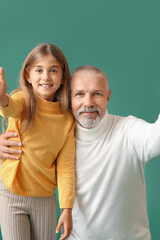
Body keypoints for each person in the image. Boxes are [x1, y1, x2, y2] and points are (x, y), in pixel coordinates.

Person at [1, 65, 160, 240]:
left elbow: (155, 140)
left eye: (97, 94)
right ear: (69, 98)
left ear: (108, 96)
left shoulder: (128, 130)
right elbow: (25, 156)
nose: (88, 103)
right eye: (79, 94)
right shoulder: (57, 137)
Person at [0, 43, 75, 240]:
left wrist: (66, 209)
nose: (46, 77)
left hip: (44, 197)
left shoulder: (67, 120)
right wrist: (1, 98)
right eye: (39, 70)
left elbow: (66, 167)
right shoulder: (22, 100)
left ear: (63, 77)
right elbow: (10, 107)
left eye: (53, 71)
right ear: (28, 76)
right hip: (10, 193)